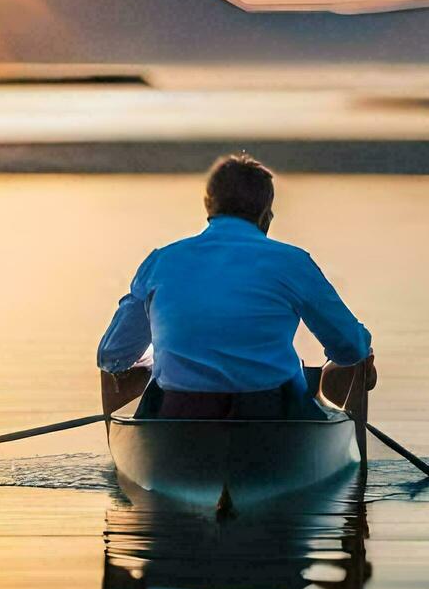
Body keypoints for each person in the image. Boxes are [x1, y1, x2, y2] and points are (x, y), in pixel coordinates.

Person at [97, 153, 373, 419]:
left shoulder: (161, 261)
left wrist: (155, 362)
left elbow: (111, 356)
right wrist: (363, 355)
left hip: (179, 411)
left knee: (138, 367)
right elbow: (350, 348)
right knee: (361, 356)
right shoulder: (293, 262)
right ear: (267, 211)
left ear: (208, 205)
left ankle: (131, 456)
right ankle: (350, 457)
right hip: (269, 413)